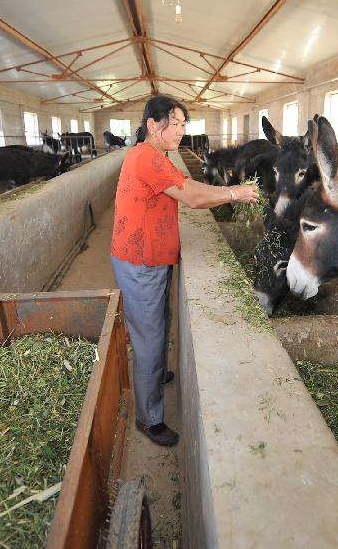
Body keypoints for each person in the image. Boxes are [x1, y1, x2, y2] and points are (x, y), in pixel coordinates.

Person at [110, 95, 259, 446]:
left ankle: (157, 376)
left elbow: (185, 187)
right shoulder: (146, 158)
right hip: (140, 260)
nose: (180, 131)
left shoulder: (156, 156)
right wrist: (235, 193)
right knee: (149, 336)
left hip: (152, 257)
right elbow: (190, 195)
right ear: (152, 125)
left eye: (182, 125)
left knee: (158, 322)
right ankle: (149, 418)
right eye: (173, 124)